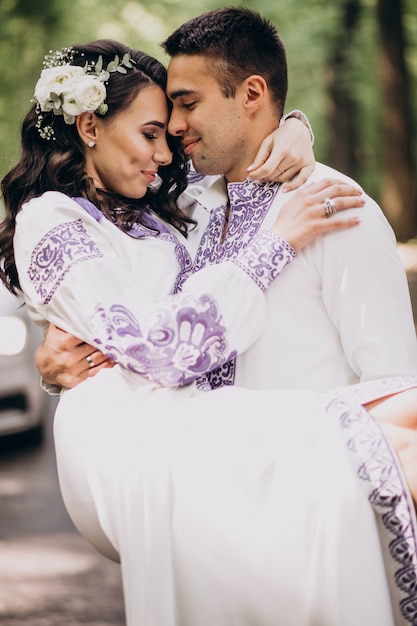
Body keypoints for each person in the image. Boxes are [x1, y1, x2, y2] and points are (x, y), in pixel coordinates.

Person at [2, 38, 417, 626]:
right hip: (134, 429)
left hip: (194, 418)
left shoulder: (170, 207)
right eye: (152, 133)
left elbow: (241, 141)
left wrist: (290, 124)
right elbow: (153, 343)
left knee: (402, 415)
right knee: (398, 431)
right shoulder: (52, 216)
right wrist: (277, 245)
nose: (167, 150)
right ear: (89, 125)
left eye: (170, 133)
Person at [37, 6, 417, 393]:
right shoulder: (188, 209)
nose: (174, 126)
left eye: (188, 104)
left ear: (252, 93)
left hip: (304, 449)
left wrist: (296, 125)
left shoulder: (337, 210)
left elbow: (394, 386)